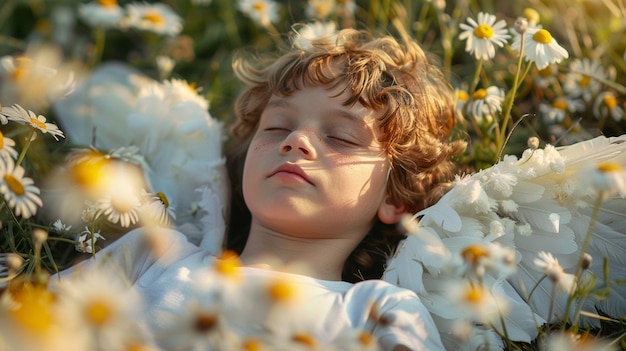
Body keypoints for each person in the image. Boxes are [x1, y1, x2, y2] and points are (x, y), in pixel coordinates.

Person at [56, 26, 465, 351]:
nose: (296, 141)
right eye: (276, 127)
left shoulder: (376, 310)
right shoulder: (154, 255)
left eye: (341, 137)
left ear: (395, 198)